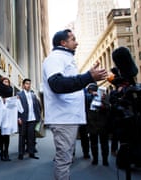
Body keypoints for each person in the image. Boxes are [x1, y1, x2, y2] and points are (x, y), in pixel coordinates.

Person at [42, 29, 107, 180]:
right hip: (63, 118)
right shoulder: (55, 58)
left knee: (66, 159)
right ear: (63, 43)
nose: (76, 43)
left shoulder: (65, 58)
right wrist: (88, 77)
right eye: (73, 39)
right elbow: (56, 84)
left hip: (69, 118)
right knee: (64, 160)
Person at [85, 83, 110, 166]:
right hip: (92, 123)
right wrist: (91, 96)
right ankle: (95, 159)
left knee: (104, 143)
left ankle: (105, 160)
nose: (91, 92)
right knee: (93, 143)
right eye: (89, 91)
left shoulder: (104, 96)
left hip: (103, 123)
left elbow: (108, 108)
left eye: (91, 90)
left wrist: (102, 103)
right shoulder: (88, 97)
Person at [17, 78, 41, 160]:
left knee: (31, 137)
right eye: (27, 83)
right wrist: (18, 118)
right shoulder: (19, 94)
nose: (28, 85)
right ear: (23, 85)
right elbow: (17, 107)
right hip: (23, 119)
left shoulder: (33, 95)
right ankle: (21, 153)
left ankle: (31, 153)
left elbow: (37, 107)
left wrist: (38, 118)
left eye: (29, 84)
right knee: (22, 136)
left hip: (32, 119)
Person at [0, 77, 13, 161]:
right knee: (1, 134)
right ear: (2, 82)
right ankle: (1, 151)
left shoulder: (10, 89)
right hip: (0, 113)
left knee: (7, 134)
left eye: (8, 81)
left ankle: (6, 152)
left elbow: (12, 100)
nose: (6, 83)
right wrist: (1, 99)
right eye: (5, 81)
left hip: (8, 113)